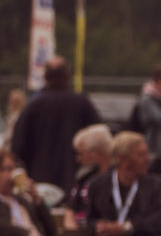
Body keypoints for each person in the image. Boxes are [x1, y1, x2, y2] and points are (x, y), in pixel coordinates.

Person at [11, 57, 101, 193]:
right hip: (76, 180)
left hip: (40, 181)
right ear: (68, 76)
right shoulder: (82, 104)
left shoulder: (33, 106)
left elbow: (18, 146)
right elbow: (99, 139)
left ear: (45, 77)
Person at [63, 123, 113, 229]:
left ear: (96, 154)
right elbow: (71, 208)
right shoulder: (84, 178)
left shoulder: (118, 178)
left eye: (81, 153)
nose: (78, 159)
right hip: (80, 235)